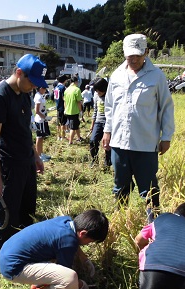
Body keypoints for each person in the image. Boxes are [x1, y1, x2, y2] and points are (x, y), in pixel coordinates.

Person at [102, 33, 175, 223]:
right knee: (120, 186)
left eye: (137, 55)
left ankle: (155, 226)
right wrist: (107, 131)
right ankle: (121, 221)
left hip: (145, 143)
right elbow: (109, 106)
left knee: (149, 189)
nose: (133, 59)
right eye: (129, 56)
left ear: (146, 53)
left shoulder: (157, 76)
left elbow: (166, 107)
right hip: (119, 142)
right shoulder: (117, 75)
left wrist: (166, 136)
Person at [0, 209, 109, 289]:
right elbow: (66, 275)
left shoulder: (66, 221)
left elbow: (69, 243)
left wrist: (85, 260)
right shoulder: (68, 241)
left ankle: (39, 283)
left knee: (60, 267)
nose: (88, 244)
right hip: (13, 268)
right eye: (90, 241)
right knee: (69, 279)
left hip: (7, 254)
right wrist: (81, 285)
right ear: (82, 233)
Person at [0, 54, 46, 255]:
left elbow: (25, 130)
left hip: (25, 161)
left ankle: (21, 249)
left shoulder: (24, 94)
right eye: (32, 81)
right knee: (6, 213)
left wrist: (35, 156)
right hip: (8, 165)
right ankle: (3, 256)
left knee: (27, 208)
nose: (34, 87)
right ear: (19, 72)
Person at [88, 78, 111, 168]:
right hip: (98, 122)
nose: (98, 93)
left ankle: (108, 163)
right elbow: (95, 110)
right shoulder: (96, 95)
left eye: (99, 91)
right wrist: (92, 124)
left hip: (108, 123)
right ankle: (94, 160)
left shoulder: (111, 96)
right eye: (96, 91)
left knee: (108, 144)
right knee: (93, 141)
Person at [33, 86, 51, 162]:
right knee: (39, 137)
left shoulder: (41, 96)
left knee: (42, 137)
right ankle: (38, 155)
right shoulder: (38, 97)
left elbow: (42, 108)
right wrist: (44, 117)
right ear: (40, 88)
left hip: (42, 119)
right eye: (44, 88)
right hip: (40, 120)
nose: (45, 90)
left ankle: (41, 153)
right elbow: (37, 111)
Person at [64, 76, 84, 144]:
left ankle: (79, 137)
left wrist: (65, 109)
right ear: (76, 81)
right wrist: (81, 111)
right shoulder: (77, 89)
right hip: (74, 111)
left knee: (76, 125)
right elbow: (79, 102)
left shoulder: (66, 90)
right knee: (72, 128)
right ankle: (70, 142)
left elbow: (65, 101)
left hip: (67, 111)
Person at [53, 75, 68, 141]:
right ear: (64, 80)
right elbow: (64, 98)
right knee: (63, 123)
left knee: (58, 122)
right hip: (62, 106)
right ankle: (63, 136)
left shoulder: (56, 87)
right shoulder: (63, 88)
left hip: (57, 105)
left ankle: (58, 136)